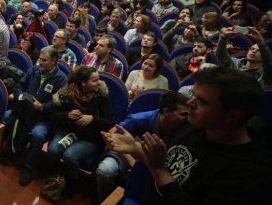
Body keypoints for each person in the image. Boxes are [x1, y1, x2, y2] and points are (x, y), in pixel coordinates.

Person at [103, 67, 270, 204]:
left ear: (233, 116)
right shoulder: (194, 125)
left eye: (202, 101)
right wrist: (135, 147)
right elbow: (165, 159)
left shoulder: (248, 175)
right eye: (194, 95)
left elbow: (160, 168)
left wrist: (158, 169)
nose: (190, 103)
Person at [95, 92, 189, 202]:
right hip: (128, 155)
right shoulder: (137, 120)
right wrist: (132, 161)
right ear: (167, 112)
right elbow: (117, 142)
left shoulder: (186, 127)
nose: (188, 118)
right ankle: (107, 200)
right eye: (183, 114)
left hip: (161, 163)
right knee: (104, 170)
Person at [46, 66, 114, 198]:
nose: (98, 83)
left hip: (90, 136)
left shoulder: (101, 96)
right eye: (94, 80)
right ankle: (57, 177)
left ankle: (72, 182)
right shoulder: (65, 94)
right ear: (83, 83)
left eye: (98, 79)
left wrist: (92, 118)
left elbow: (109, 122)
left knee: (70, 155)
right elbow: (53, 116)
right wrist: (67, 115)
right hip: (68, 130)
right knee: (53, 150)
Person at [9, 46, 68, 186]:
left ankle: (29, 168)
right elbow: (20, 85)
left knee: (37, 134)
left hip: (45, 118)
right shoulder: (34, 70)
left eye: (44, 60)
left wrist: (42, 106)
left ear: (54, 61)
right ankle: (11, 152)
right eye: (39, 59)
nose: (40, 62)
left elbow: (59, 104)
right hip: (26, 110)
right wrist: (20, 95)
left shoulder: (61, 79)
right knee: (7, 117)